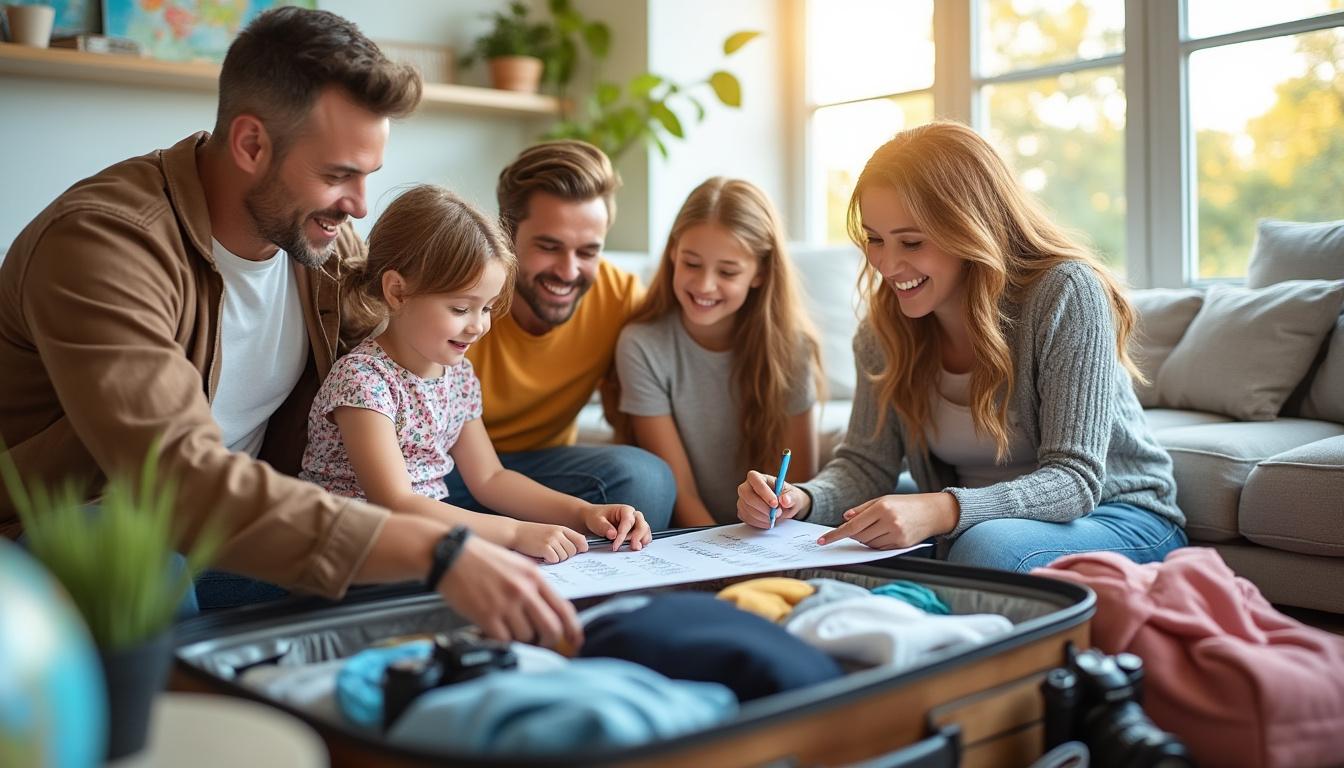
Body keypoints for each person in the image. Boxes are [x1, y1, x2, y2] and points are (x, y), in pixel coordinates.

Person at [0, 7, 581, 646]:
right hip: (120, 525)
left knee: (615, 482)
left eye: (368, 177)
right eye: (338, 175)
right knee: (135, 554)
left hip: (264, 522)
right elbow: (175, 478)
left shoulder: (319, 241)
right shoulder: (105, 244)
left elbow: (413, 338)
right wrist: (437, 550)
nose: (360, 204)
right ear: (251, 144)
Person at [736, 121, 1187, 573]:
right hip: (969, 524)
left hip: (1116, 513)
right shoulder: (883, 332)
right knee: (836, 548)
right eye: (875, 239)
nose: (888, 265)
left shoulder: (1065, 292)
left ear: (971, 230)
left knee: (983, 548)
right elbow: (865, 465)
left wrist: (941, 510)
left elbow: (1075, 481)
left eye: (911, 241)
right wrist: (802, 498)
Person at [301, 184, 651, 561]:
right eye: (460, 309)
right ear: (398, 292)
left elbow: (490, 479)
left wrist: (582, 512)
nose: (479, 326)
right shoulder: (363, 381)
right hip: (350, 548)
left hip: (423, 543)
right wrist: (515, 532)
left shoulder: (457, 376)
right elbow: (396, 503)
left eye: (486, 308)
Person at [443, 141, 676, 530]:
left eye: (588, 252)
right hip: (445, 472)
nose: (568, 272)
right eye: (549, 247)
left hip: (544, 473)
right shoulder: (456, 294)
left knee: (645, 479)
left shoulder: (620, 298)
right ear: (506, 234)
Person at [615, 178, 823, 527]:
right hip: (690, 535)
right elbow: (681, 493)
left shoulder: (794, 348)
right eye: (691, 264)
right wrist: (721, 558)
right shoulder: (642, 345)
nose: (704, 285)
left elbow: (797, 490)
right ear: (672, 254)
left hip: (769, 536)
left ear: (760, 273)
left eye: (727, 271)